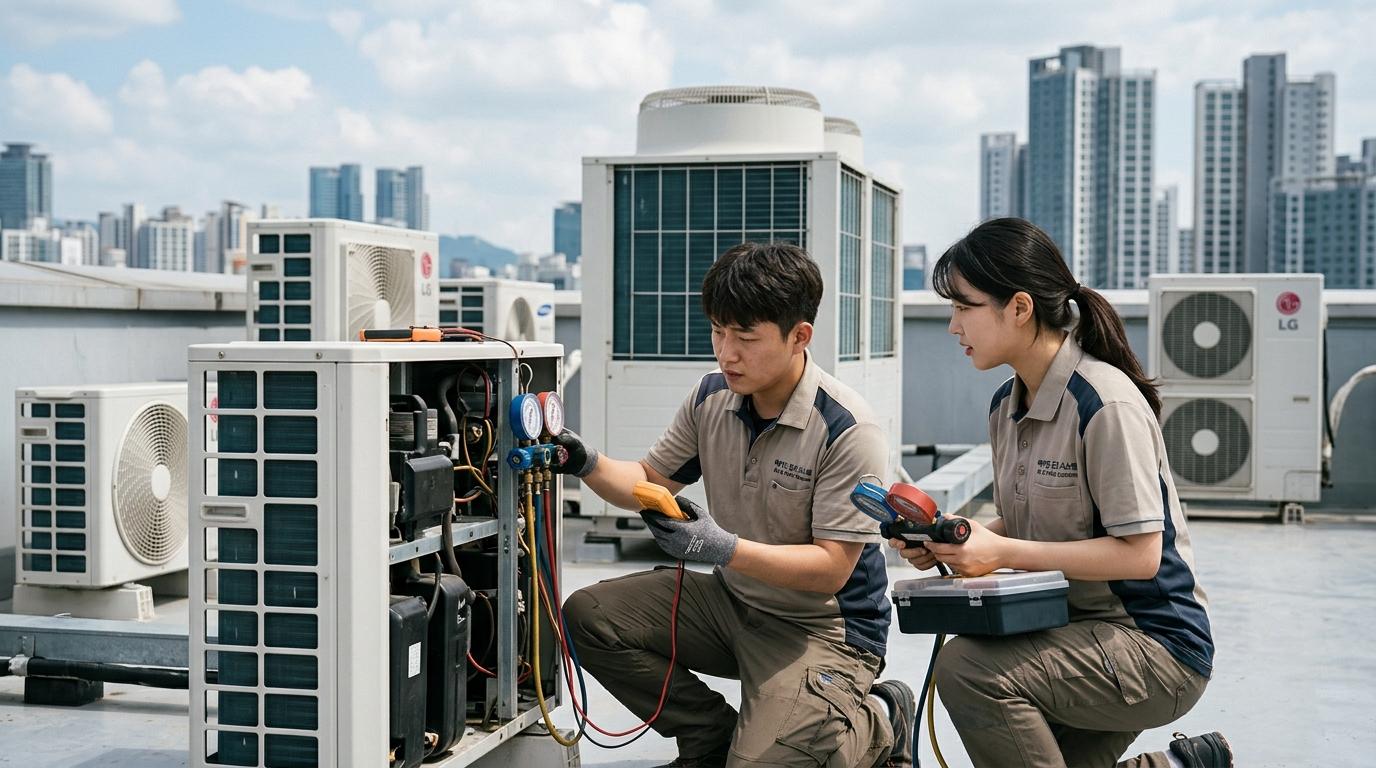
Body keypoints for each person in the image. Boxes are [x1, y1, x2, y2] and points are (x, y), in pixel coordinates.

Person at [558, 241, 916, 768]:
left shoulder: (847, 428)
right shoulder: (711, 397)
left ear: (800, 337)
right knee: (589, 617)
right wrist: (583, 459)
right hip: (733, 604)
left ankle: (881, 719)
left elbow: (831, 571)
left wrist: (721, 547)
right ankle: (708, 737)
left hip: (823, 629)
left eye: (745, 337)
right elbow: (647, 480)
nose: (726, 353)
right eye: (718, 332)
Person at [893, 218, 1232, 768]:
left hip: (1155, 644)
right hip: (1072, 629)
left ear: (1020, 307)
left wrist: (999, 552)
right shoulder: (1007, 404)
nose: (953, 325)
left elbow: (1140, 556)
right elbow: (1025, 520)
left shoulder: (1106, 403)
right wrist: (956, 538)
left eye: (964, 306)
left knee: (967, 670)